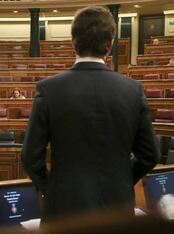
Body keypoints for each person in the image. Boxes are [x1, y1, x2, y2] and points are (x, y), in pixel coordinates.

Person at [21, 6, 160, 224]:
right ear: (110, 44)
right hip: (117, 207)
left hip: (63, 211)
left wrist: (53, 188)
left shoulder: (48, 89)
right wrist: (122, 180)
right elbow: (150, 155)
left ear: (73, 42)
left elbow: (30, 157)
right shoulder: (133, 90)